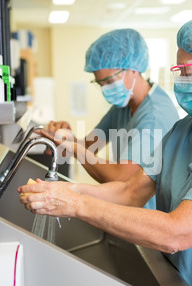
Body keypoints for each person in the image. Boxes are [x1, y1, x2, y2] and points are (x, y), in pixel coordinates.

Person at [19, 17, 192, 286]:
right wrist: (67, 189)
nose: (179, 79)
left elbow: (177, 234)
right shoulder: (186, 130)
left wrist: (76, 204)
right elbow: (131, 190)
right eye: (177, 70)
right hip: (183, 283)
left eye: (187, 72)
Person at [38, 28, 179, 210]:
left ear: (133, 69)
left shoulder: (155, 116)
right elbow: (90, 145)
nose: (106, 89)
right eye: (100, 84)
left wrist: (74, 148)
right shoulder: (123, 107)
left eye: (110, 81)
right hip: (131, 213)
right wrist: (65, 138)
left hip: (152, 215)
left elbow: (121, 178)